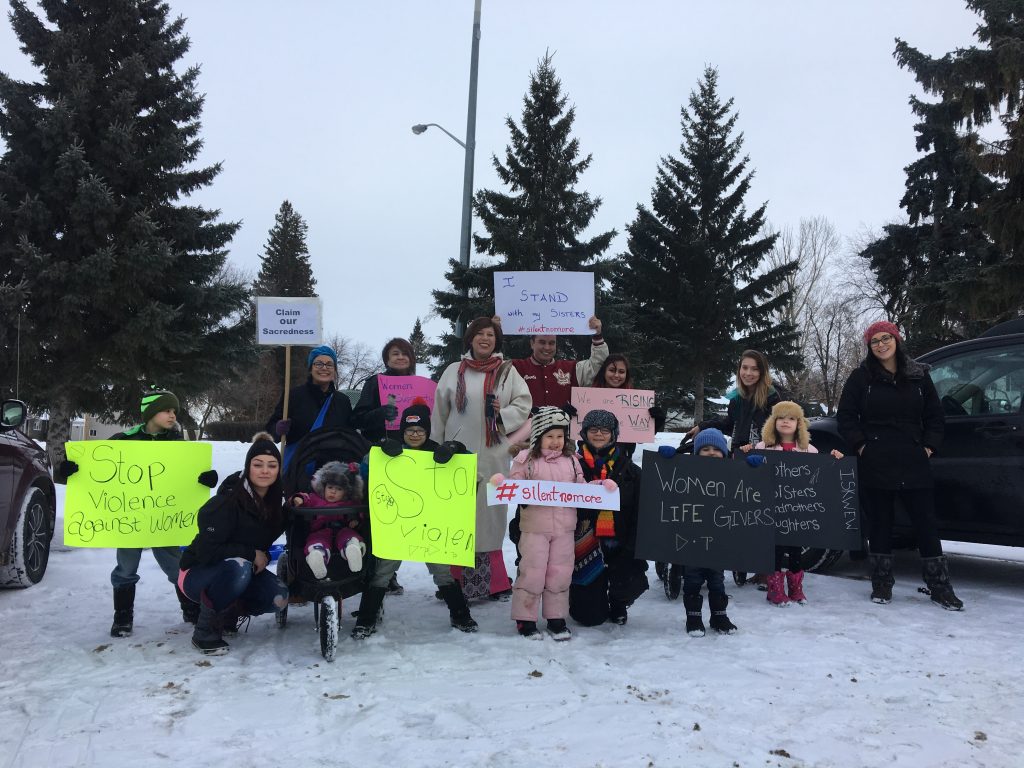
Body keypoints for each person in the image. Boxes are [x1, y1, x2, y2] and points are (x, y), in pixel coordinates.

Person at [57, 389, 218, 637]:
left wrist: (206, 479)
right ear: (151, 412)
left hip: (165, 520)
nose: (172, 415)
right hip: (129, 522)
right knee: (125, 569)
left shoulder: (178, 445)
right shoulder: (124, 440)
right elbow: (99, 471)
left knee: (177, 567)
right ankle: (122, 617)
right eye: (167, 410)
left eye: (174, 411)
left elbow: (189, 476)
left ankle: (190, 608)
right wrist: (71, 470)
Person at [836, 321, 963, 610]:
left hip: (913, 457)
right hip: (876, 458)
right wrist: (862, 445)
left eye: (886, 338)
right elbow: (846, 416)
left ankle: (940, 586)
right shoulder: (861, 377)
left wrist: (929, 446)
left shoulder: (918, 375)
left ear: (896, 339)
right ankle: (881, 583)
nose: (881, 345)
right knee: (880, 522)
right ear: (869, 347)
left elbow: (935, 416)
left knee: (925, 524)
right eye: (874, 341)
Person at [351, 400, 479, 638]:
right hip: (396, 526)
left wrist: (457, 448)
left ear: (427, 431)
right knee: (382, 572)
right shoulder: (391, 449)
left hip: (433, 527)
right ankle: (367, 618)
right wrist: (376, 451)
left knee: (442, 572)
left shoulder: (437, 450)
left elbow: (471, 468)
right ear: (402, 431)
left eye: (420, 430)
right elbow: (363, 471)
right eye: (409, 431)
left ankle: (460, 614)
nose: (415, 435)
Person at [492, 407, 613, 640]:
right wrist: (502, 484)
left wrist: (600, 488)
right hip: (535, 528)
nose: (556, 442)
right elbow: (515, 486)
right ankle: (525, 619)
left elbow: (580, 488)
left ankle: (556, 618)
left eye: (560, 436)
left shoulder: (572, 461)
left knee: (560, 572)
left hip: (565, 529)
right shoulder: (526, 459)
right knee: (533, 572)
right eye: (550, 436)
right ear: (538, 435)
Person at [432, 317, 532, 601]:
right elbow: (439, 410)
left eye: (490, 335)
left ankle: (494, 582)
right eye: (480, 334)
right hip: (456, 455)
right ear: (470, 339)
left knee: (489, 517)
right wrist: (435, 446)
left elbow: (524, 403)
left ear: (496, 341)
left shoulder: (507, 372)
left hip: (493, 455)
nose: (485, 339)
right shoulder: (454, 371)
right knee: (458, 516)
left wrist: (502, 415)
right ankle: (453, 582)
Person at [178, 432, 290, 654]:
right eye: (258, 465)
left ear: (279, 470)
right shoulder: (227, 501)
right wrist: (251, 553)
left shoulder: (276, 503)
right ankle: (204, 633)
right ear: (248, 467)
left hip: (240, 569)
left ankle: (228, 614)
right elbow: (207, 551)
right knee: (240, 566)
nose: (265, 471)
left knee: (278, 597)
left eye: (272, 465)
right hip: (196, 572)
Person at [754, 401, 843, 606]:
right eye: (781, 417)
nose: (786, 421)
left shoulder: (808, 450)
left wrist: (833, 458)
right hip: (773, 511)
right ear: (773, 422)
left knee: (795, 550)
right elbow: (751, 469)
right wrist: (747, 452)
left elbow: (819, 472)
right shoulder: (763, 447)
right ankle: (774, 588)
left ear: (799, 423)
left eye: (791, 418)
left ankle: (795, 587)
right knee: (775, 550)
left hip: (798, 512)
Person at [569, 409, 649, 627]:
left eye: (605, 430)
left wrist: (632, 550)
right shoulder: (569, 467)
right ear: (584, 433)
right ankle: (580, 592)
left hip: (619, 544)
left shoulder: (631, 471)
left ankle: (618, 600)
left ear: (614, 434)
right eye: (593, 429)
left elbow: (642, 513)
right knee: (588, 618)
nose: (598, 434)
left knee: (628, 581)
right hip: (582, 546)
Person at [681, 428, 738, 637]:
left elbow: (747, 491)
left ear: (724, 453)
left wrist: (754, 468)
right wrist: (666, 459)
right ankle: (694, 617)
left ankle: (719, 615)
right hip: (691, 539)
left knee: (717, 579)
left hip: (719, 540)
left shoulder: (732, 474)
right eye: (705, 449)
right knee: (692, 579)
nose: (711, 452)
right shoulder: (686, 473)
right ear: (696, 453)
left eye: (716, 449)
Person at [265, 344, 353, 466]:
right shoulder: (293, 396)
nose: (324, 368)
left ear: (334, 370)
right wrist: (277, 429)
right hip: (298, 469)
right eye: (318, 363)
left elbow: (349, 435)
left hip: (331, 475)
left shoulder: (343, 401)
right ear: (310, 368)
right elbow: (269, 430)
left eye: (329, 364)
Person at [686, 350, 782, 454]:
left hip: (762, 457)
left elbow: (780, 432)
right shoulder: (736, 398)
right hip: (737, 455)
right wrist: (703, 426)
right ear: (739, 369)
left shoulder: (773, 397)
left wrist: (757, 446)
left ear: (762, 372)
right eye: (745, 368)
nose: (748, 373)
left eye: (755, 369)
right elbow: (729, 424)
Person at [504, 315, 608, 408]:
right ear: (532, 343)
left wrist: (597, 335)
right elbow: (491, 366)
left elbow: (598, 364)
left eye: (551, 343)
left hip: (563, 428)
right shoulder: (515, 367)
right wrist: (495, 331)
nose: (547, 347)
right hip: (527, 429)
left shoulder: (572, 369)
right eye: (542, 342)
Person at [291, 461, 367, 578]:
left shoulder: (349, 502)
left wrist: (355, 520)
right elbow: (305, 498)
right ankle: (317, 555)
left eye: (339, 489)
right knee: (316, 540)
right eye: (330, 487)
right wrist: (299, 499)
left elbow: (359, 513)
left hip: (343, 529)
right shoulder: (315, 498)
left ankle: (352, 549)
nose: (333, 491)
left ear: (346, 492)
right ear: (323, 487)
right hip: (320, 530)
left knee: (349, 535)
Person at [351, 337, 416, 443]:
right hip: (379, 448)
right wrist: (379, 414)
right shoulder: (374, 382)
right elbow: (356, 420)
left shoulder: (421, 385)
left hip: (413, 449)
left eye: (405, 354)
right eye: (395, 354)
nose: (400, 357)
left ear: (411, 359)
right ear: (387, 359)